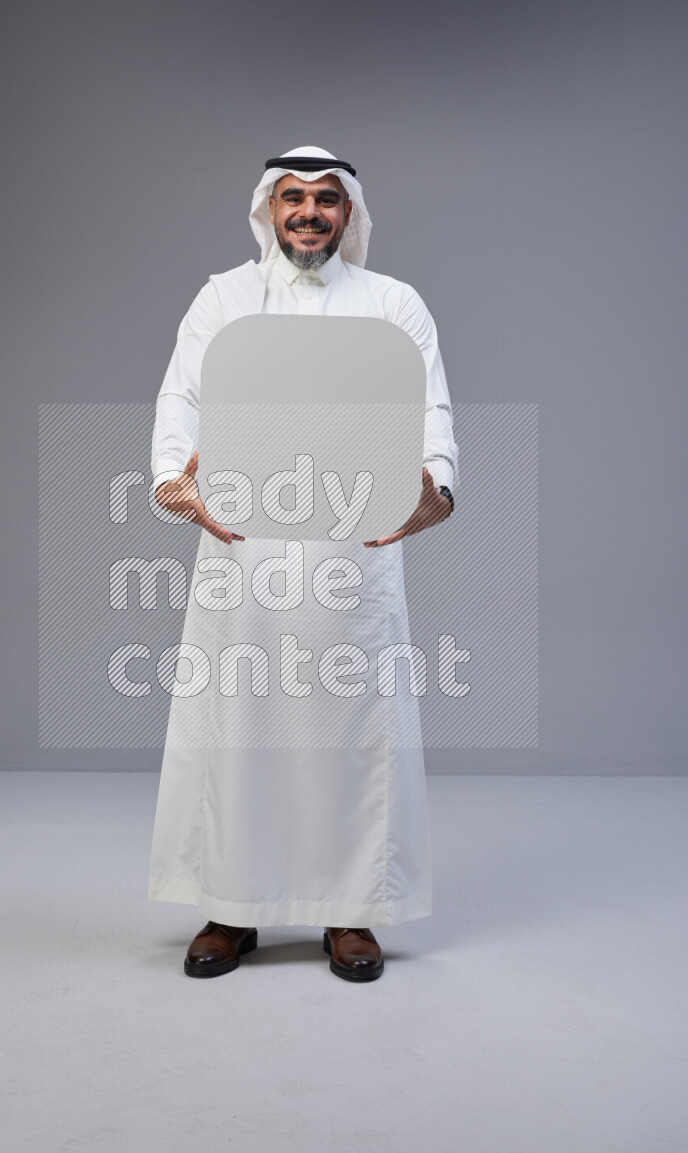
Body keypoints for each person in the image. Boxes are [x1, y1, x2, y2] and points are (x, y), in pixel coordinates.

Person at [148, 146, 459, 981]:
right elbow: (182, 396)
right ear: (269, 208)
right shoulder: (223, 297)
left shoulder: (393, 303)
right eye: (294, 197)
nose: (309, 212)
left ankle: (350, 913)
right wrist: (177, 481)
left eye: (326, 198)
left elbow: (429, 406)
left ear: (349, 211)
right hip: (244, 550)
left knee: (350, 734)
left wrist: (437, 485)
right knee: (237, 729)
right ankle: (230, 906)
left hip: (352, 550)